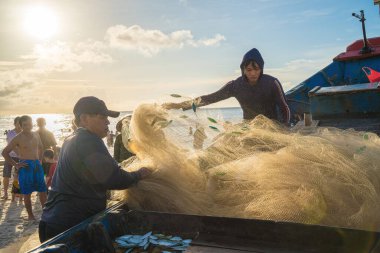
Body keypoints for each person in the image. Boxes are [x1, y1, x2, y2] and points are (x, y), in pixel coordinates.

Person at [39, 96, 152, 242]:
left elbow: (97, 174)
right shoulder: (88, 140)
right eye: (102, 117)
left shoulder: (71, 139)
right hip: (68, 226)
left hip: (53, 220)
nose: (108, 121)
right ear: (84, 118)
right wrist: (139, 174)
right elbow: (113, 178)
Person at [164, 48, 291, 125]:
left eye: (257, 69)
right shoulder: (235, 86)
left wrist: (285, 127)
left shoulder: (271, 83)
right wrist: (178, 106)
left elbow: (285, 108)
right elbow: (210, 98)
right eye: (249, 70)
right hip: (250, 126)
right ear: (243, 70)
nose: (253, 73)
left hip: (272, 125)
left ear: (261, 69)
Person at [2, 115, 47, 220]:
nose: (28, 126)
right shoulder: (18, 137)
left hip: (36, 165)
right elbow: (5, 152)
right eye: (24, 125)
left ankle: (45, 212)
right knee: (27, 192)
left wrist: (40, 160)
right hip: (25, 166)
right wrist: (16, 164)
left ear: (32, 123)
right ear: (20, 126)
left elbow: (41, 147)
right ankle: (31, 216)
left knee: (42, 190)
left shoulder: (36, 134)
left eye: (29, 124)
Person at [1, 116, 21, 200]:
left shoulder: (24, 133)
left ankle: (16, 192)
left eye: (20, 124)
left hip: (20, 157)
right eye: (17, 123)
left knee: (17, 176)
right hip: (9, 156)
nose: (19, 125)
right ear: (14, 124)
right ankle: (5, 193)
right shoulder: (11, 133)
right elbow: (12, 146)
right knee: (6, 175)